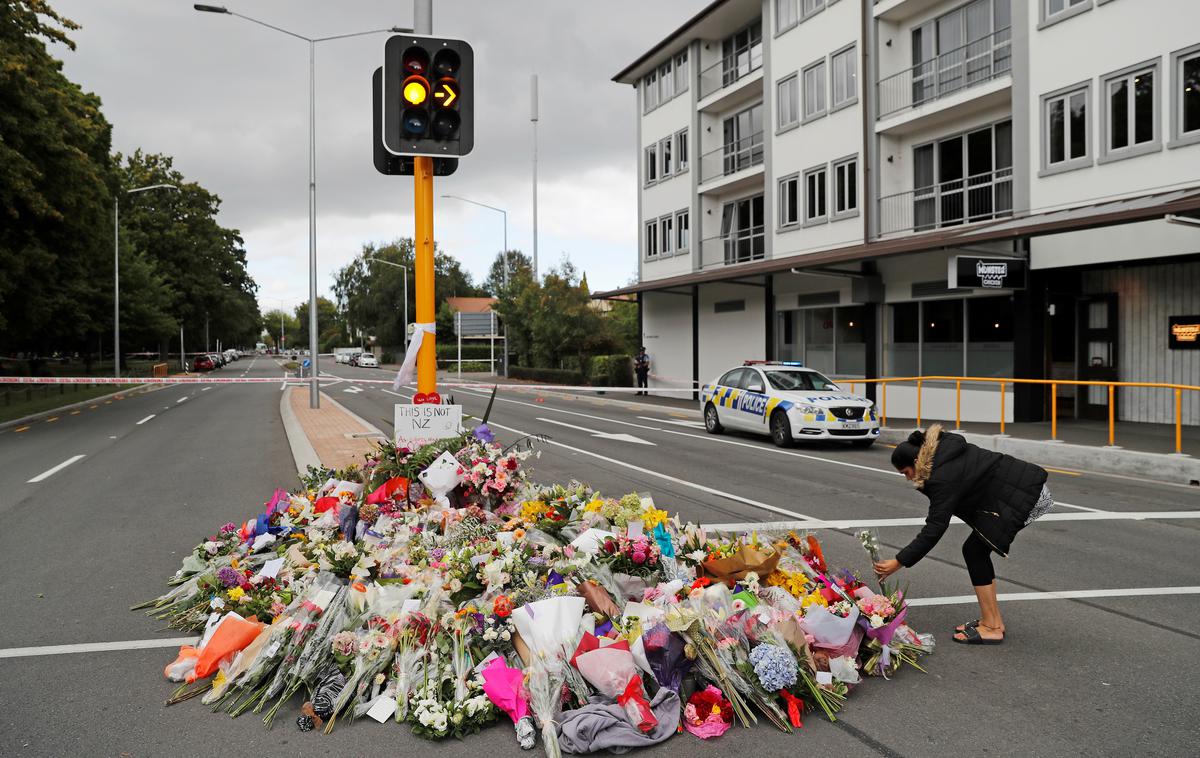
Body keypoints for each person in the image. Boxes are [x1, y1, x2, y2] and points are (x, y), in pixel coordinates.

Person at [873, 424, 1054, 645]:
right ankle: (992, 619)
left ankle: (992, 626)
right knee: (975, 550)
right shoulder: (942, 449)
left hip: (1024, 495)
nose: (908, 478)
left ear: (915, 462)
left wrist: (899, 561)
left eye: (906, 472)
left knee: (975, 551)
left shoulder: (941, 476)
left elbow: (935, 528)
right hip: (1022, 487)